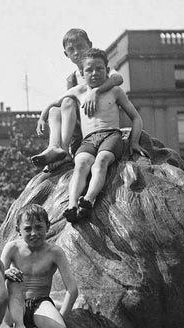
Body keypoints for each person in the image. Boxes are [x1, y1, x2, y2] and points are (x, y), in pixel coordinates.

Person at [0, 204, 107, 328]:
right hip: (15, 303)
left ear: (48, 226)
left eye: (39, 227)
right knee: (13, 280)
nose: (34, 233)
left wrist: (62, 319)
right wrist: (5, 273)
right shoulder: (12, 248)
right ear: (18, 230)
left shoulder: (54, 252)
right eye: (28, 228)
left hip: (40, 302)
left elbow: (72, 289)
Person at [59, 48, 145, 223]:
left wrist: (134, 142)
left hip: (110, 135)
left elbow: (136, 117)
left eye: (99, 69)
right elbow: (57, 103)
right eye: (89, 70)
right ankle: (72, 205)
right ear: (82, 73)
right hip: (89, 139)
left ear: (107, 69)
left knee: (102, 161)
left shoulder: (115, 91)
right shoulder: (78, 91)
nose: (95, 73)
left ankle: (88, 199)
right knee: (81, 164)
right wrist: (45, 113)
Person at [32, 29, 125, 172]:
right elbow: (64, 103)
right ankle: (56, 148)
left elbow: (118, 78)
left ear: (90, 45)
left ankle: (61, 151)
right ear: (66, 54)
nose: (76, 52)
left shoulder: (99, 69)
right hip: (80, 122)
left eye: (80, 47)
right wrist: (43, 116)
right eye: (71, 49)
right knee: (56, 109)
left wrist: (95, 91)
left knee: (67, 102)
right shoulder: (72, 79)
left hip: (101, 124)